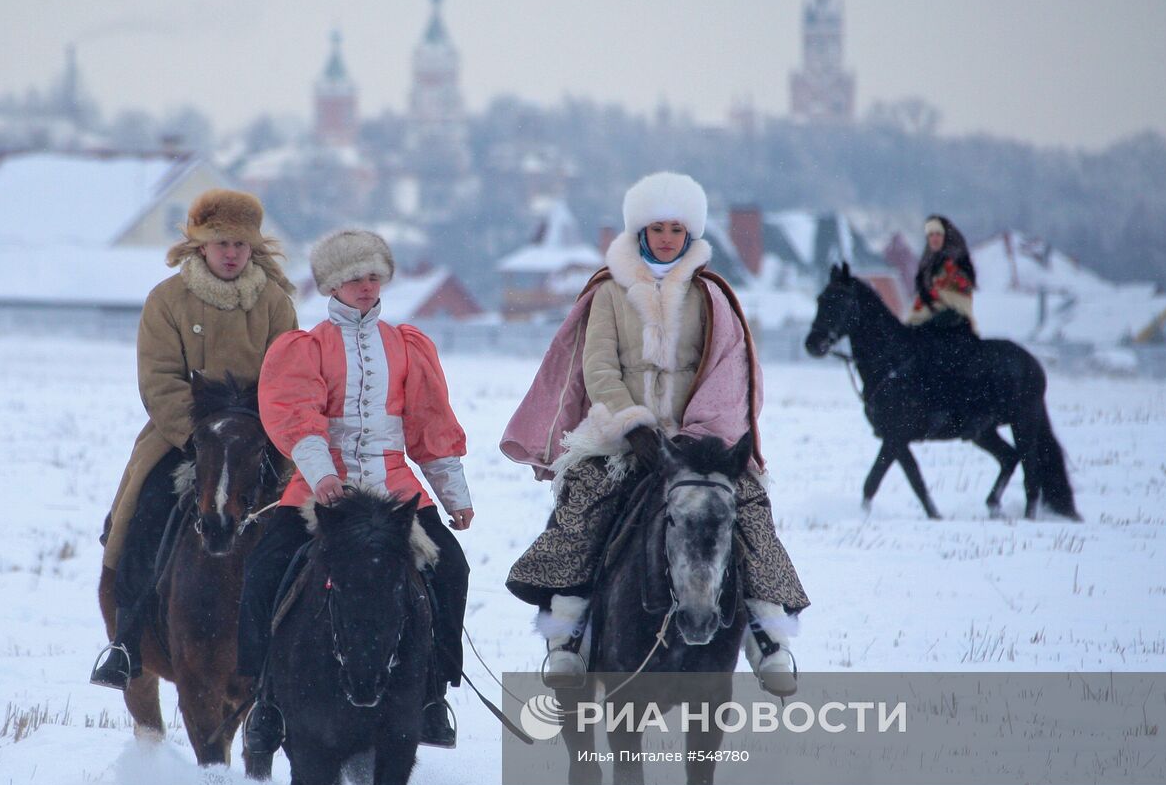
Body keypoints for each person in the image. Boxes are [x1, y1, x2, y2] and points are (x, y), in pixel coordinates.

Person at [501, 172, 809, 697]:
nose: (666, 237)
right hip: (622, 440)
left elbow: (727, 372)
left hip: (697, 442)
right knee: (583, 510)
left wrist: (695, 440)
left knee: (749, 509)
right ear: (639, 232)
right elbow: (598, 369)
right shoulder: (608, 293)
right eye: (656, 228)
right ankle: (568, 639)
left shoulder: (712, 297)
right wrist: (634, 425)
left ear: (690, 234)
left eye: (675, 229)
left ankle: (766, 635)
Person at [238, 230, 473, 751]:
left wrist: (453, 495)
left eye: (372, 277)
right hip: (321, 487)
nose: (365, 287)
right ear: (331, 285)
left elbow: (429, 423)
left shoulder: (408, 346)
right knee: (264, 569)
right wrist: (323, 475)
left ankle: (434, 694)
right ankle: (265, 698)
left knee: (452, 568)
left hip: (393, 487)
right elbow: (297, 415)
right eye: (352, 279)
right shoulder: (304, 348)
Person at [91, 189, 299, 689]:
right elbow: (159, 380)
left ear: (254, 249)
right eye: (220, 242)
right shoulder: (167, 300)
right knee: (140, 519)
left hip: (261, 439)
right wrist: (198, 437)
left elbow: (289, 374)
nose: (231, 253)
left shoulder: (275, 302)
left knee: (303, 523)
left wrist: (266, 435)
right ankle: (128, 640)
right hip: (181, 437)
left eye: (240, 245)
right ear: (200, 245)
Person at [906, 214, 978, 333]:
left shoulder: (956, 260)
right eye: (930, 235)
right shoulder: (927, 263)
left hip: (955, 315)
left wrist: (936, 293)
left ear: (945, 236)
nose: (934, 239)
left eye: (938, 234)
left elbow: (962, 287)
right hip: (930, 312)